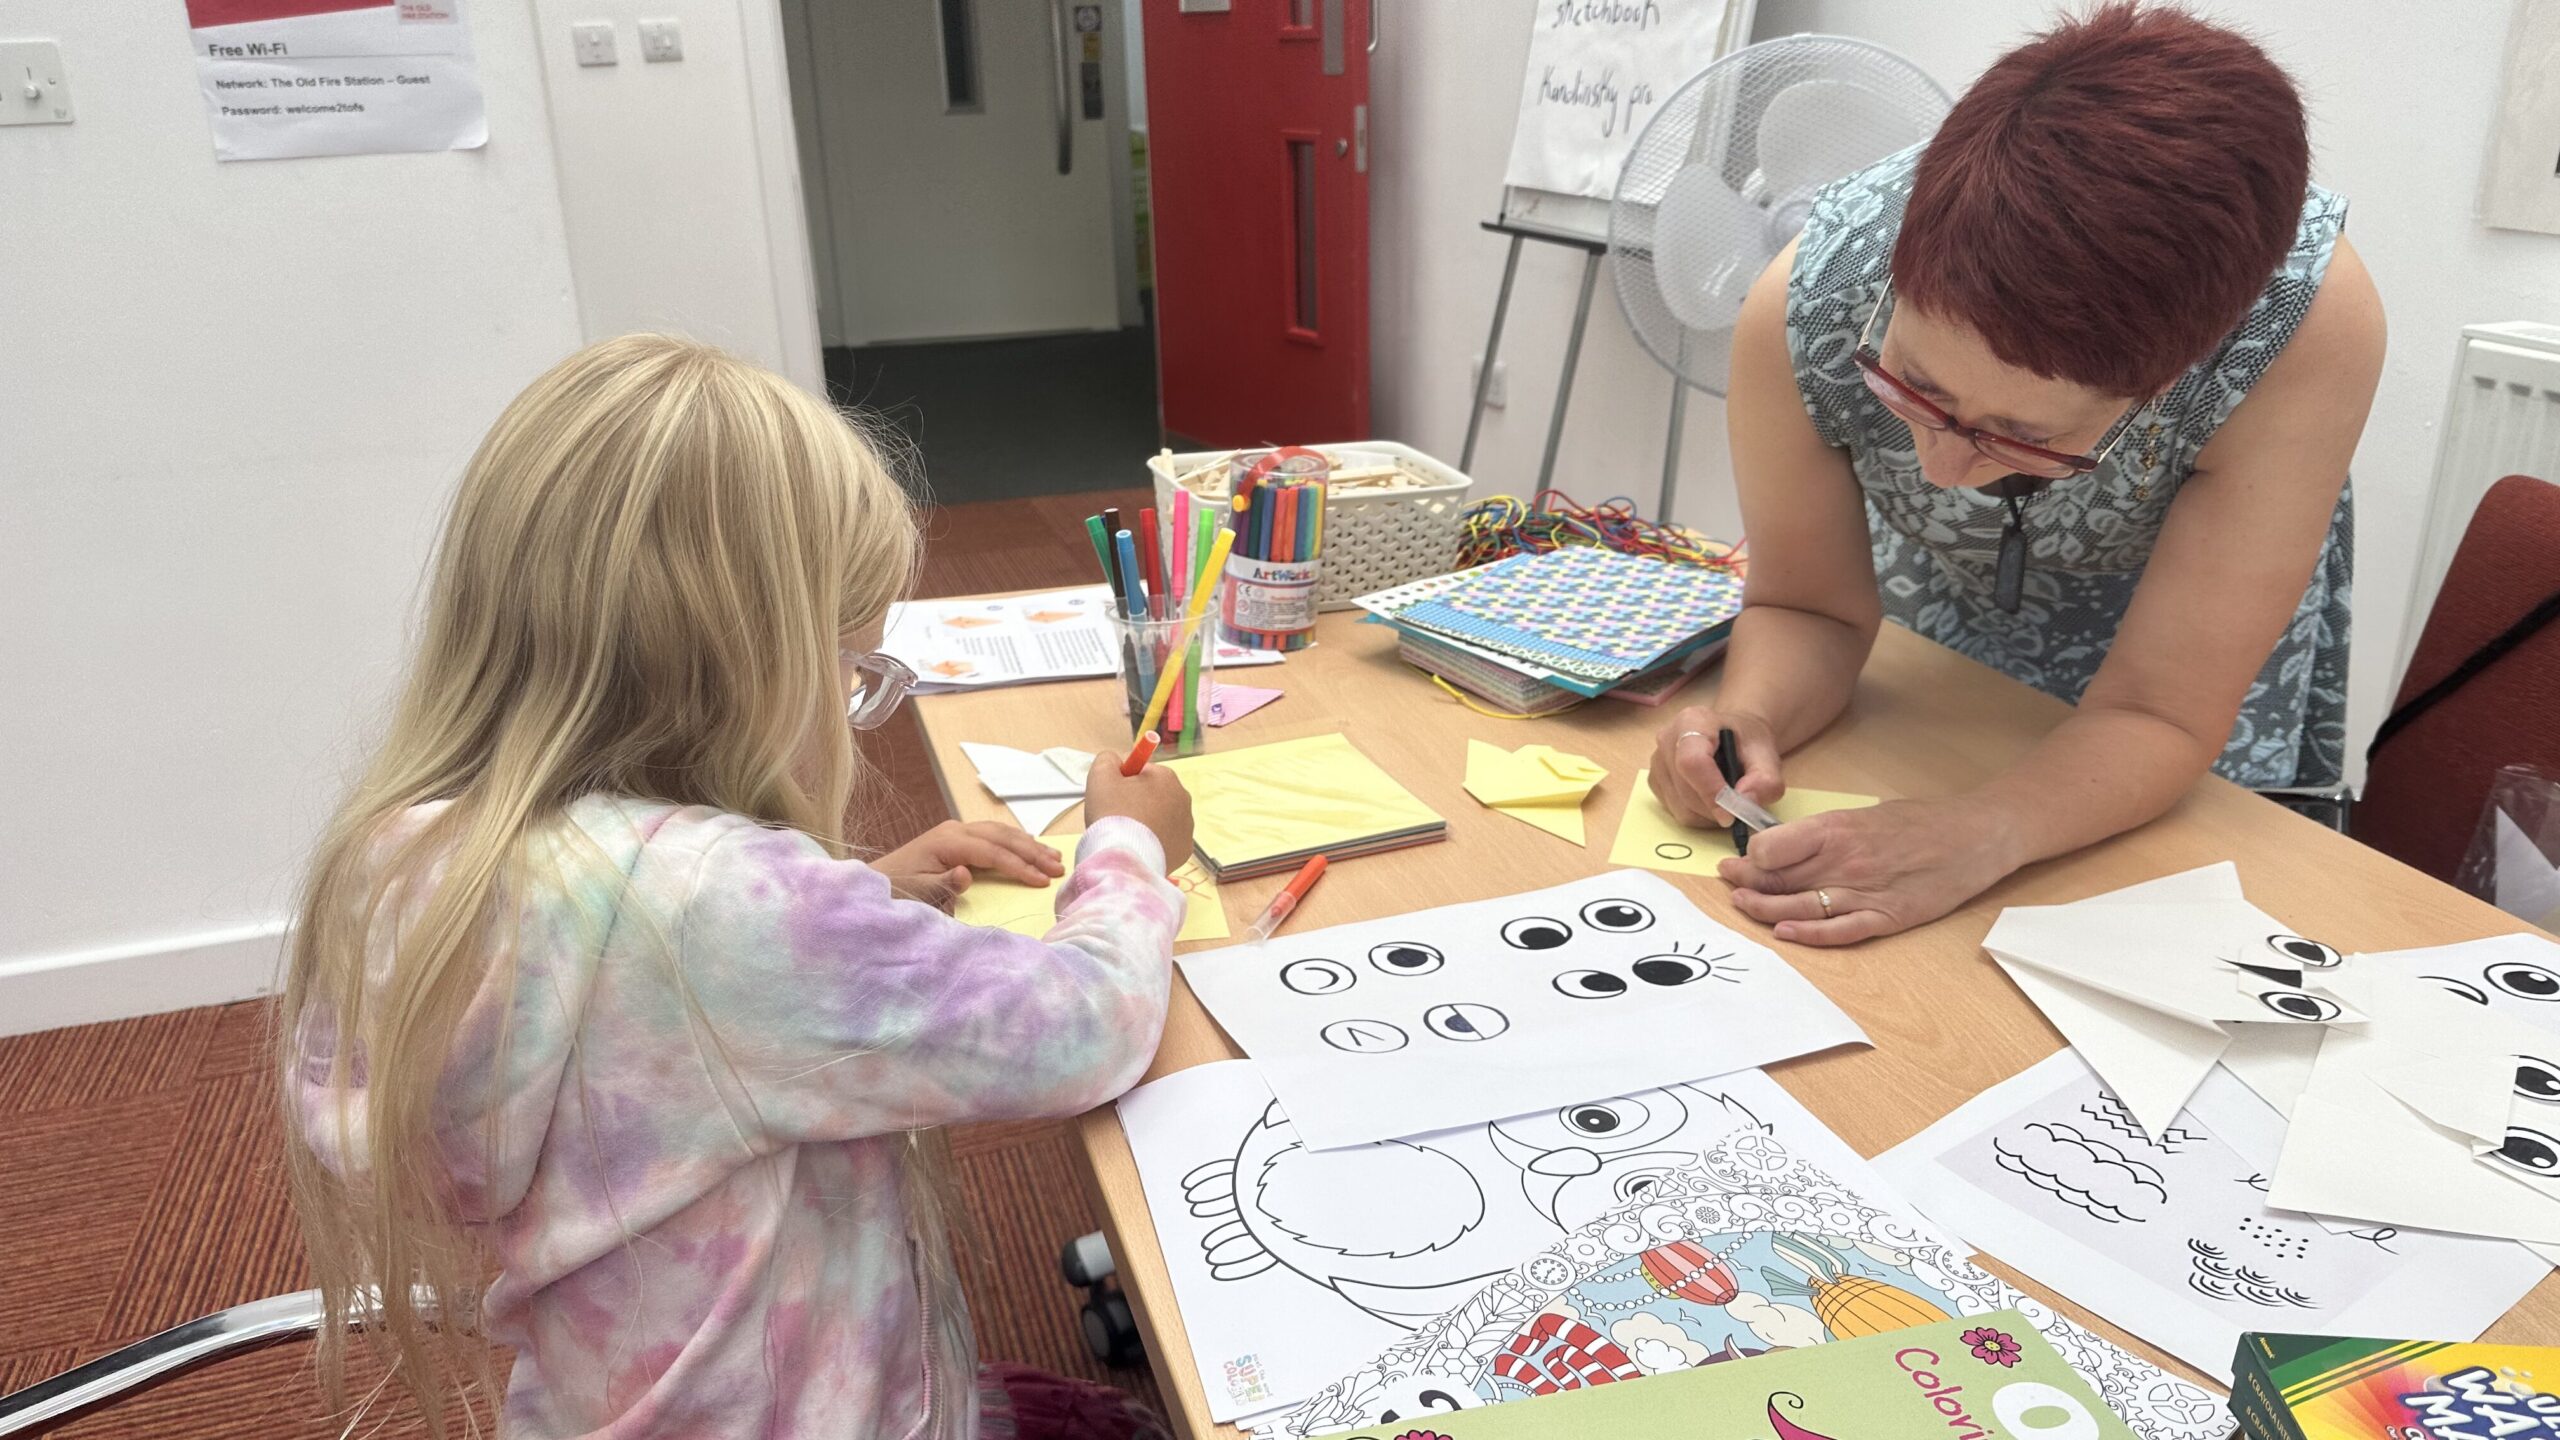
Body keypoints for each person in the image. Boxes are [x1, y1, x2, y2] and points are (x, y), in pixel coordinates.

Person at [278, 335, 1191, 1440]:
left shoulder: (407, 863)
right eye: (849, 669)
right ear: (749, 665)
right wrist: (1129, 852)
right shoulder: (726, 914)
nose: (850, 706)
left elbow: (634, 982)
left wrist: (860, 894)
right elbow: (1085, 1029)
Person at [1649, 3, 2384, 946]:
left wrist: (1980, 833)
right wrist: (1745, 721)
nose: (1941, 467)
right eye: (1914, 388)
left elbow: (2160, 712)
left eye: (2021, 437)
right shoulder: (1807, 301)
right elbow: (1810, 609)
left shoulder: (2306, 334)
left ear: (2165, 384)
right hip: (1952, 667)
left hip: (2179, 682)